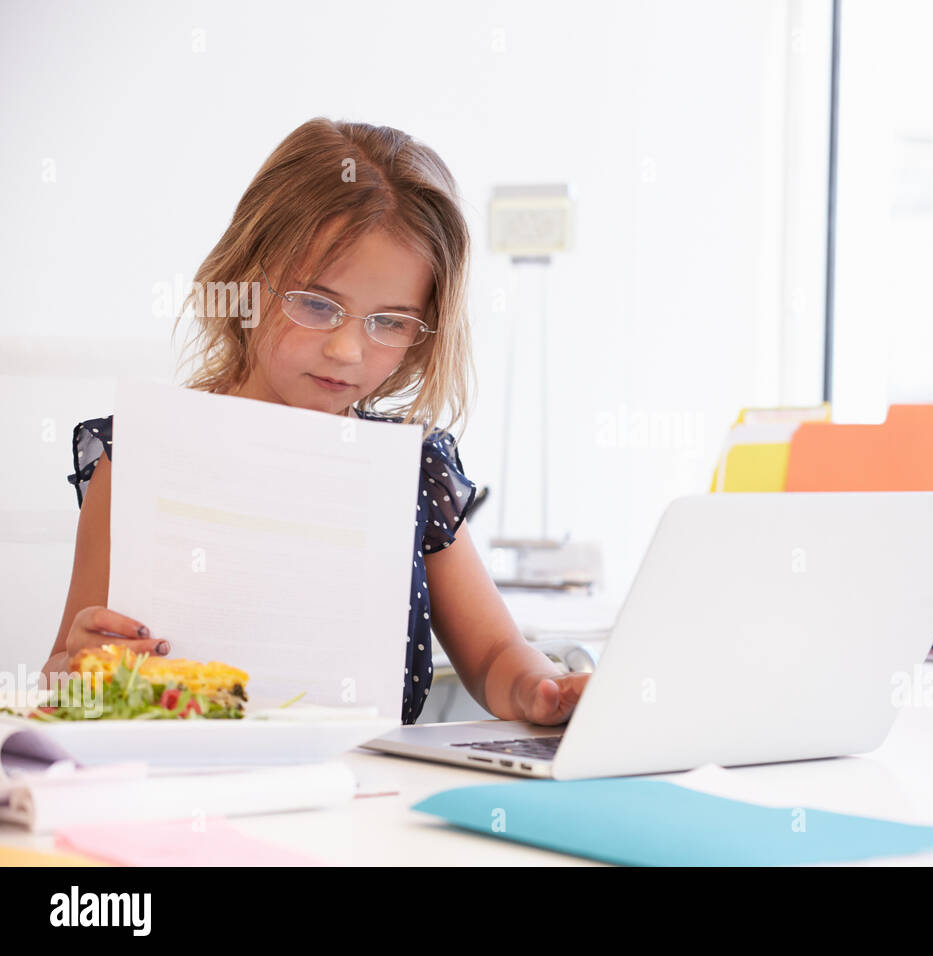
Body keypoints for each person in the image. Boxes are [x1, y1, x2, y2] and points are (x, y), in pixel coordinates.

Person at [41, 117, 588, 726]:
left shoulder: (409, 470)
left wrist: (542, 687)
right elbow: (59, 677)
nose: (348, 351)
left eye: (390, 322)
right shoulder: (144, 452)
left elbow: (493, 657)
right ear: (246, 281)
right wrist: (81, 663)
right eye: (316, 304)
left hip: (366, 801)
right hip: (180, 788)